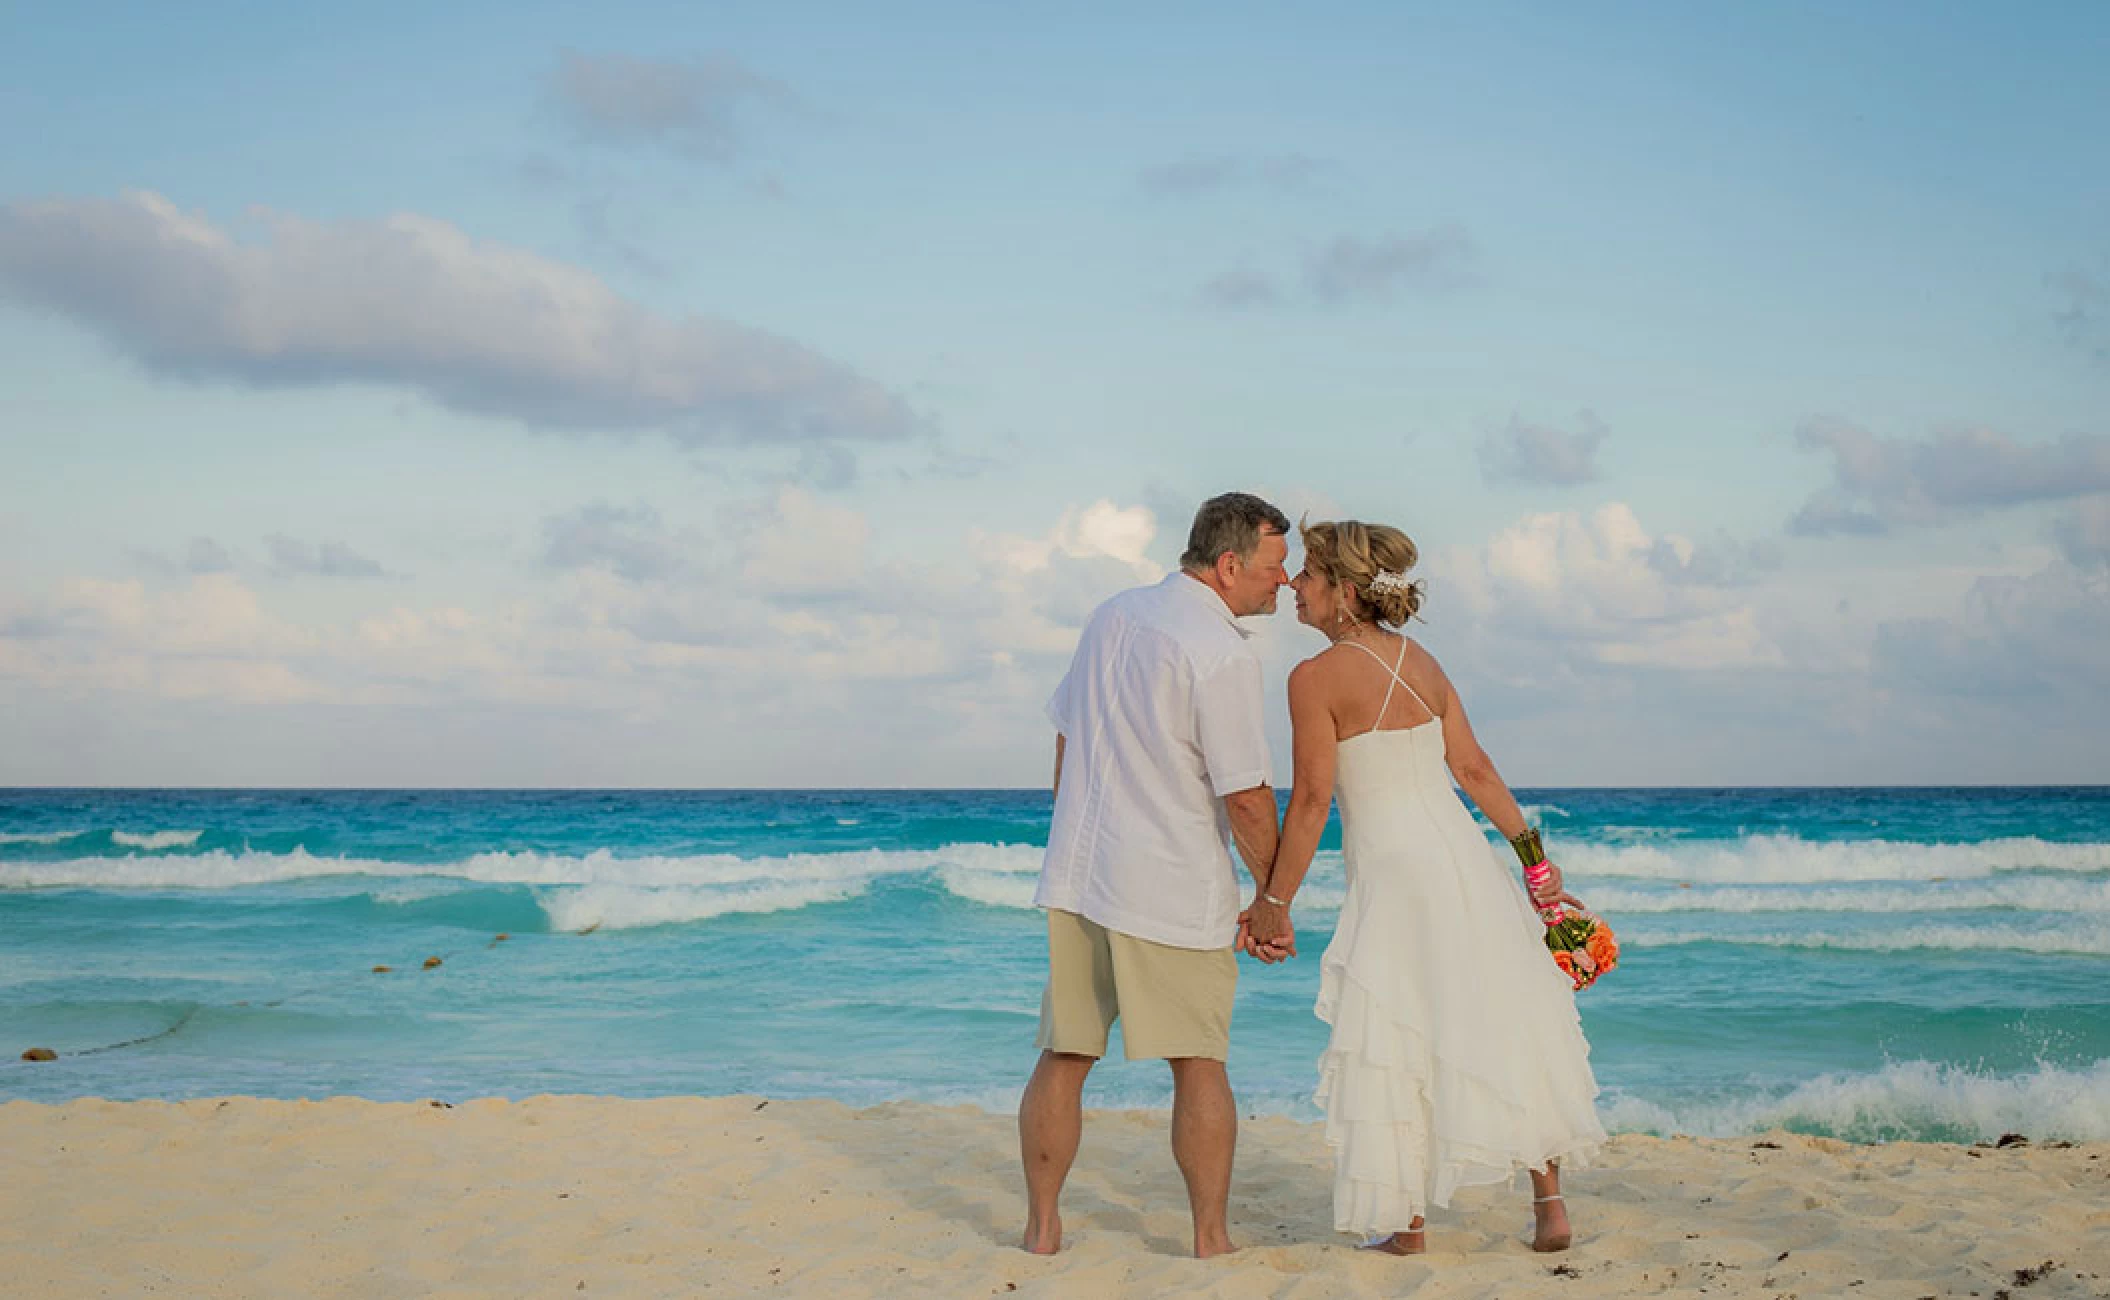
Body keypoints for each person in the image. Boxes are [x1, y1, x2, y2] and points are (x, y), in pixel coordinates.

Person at [1243, 518, 1606, 1255]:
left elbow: (1312, 799)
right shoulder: (1424, 662)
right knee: (1505, 1016)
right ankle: (1551, 1209)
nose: (1293, 589)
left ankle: (1407, 1227)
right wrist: (1535, 865)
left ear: (1344, 592)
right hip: (1466, 863)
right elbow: (1474, 770)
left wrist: (1274, 902)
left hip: (1396, 876)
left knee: (1397, 1028)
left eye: (1307, 577)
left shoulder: (1312, 679)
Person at [1018, 491, 1293, 1259]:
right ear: (1229, 564)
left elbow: (1068, 743)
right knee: (1199, 1061)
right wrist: (1273, 899)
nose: (1284, 580)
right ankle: (1210, 1239)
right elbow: (1245, 795)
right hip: (1169, 881)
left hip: (1079, 872)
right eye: (1274, 567)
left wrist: (1073, 830)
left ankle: (1041, 1232)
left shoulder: (1113, 613)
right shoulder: (1221, 651)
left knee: (1066, 1052)